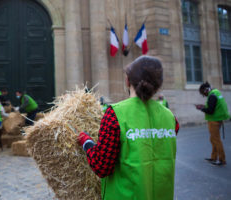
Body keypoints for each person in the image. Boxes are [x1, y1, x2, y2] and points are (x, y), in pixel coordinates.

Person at [78, 56, 179, 200]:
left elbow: (101, 166)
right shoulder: (170, 117)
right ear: (158, 84)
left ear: (127, 81)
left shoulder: (115, 114)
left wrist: (86, 142)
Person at [195, 82, 230, 166]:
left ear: (205, 90)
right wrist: (203, 106)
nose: (204, 95)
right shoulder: (216, 93)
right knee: (213, 139)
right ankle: (214, 157)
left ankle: (222, 160)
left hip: (214, 120)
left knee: (216, 140)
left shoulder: (212, 96)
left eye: (203, 93)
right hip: (218, 118)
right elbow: (213, 106)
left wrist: (201, 108)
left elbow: (210, 111)